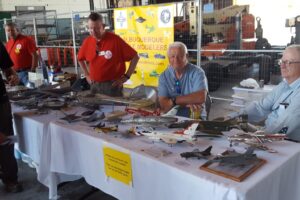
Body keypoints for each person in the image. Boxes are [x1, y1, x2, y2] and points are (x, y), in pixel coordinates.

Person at [229, 45, 300, 140]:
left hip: (287, 143)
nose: (282, 66)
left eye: (289, 62)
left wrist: (258, 135)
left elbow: (283, 127)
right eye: (282, 61)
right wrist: (234, 118)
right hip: (268, 135)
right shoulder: (284, 85)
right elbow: (260, 108)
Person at [77, 12, 139, 96]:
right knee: (96, 108)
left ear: (103, 26)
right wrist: (87, 75)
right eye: (91, 28)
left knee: (115, 108)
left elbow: (135, 57)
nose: (93, 32)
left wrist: (126, 77)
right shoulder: (88, 41)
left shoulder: (115, 40)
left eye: (97, 28)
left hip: (112, 86)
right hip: (94, 85)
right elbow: (80, 59)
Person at [158, 41, 208, 119]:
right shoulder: (163, 76)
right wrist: (190, 100)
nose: (176, 60)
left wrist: (173, 101)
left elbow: (201, 97)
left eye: (180, 56)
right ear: (168, 59)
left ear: (187, 56)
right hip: (172, 116)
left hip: (195, 115)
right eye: (172, 56)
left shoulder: (197, 72)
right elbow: (164, 105)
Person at [0, 41, 23, 193]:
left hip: (0, 101)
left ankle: (10, 179)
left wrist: (12, 76)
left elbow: (7, 67)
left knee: (5, 141)